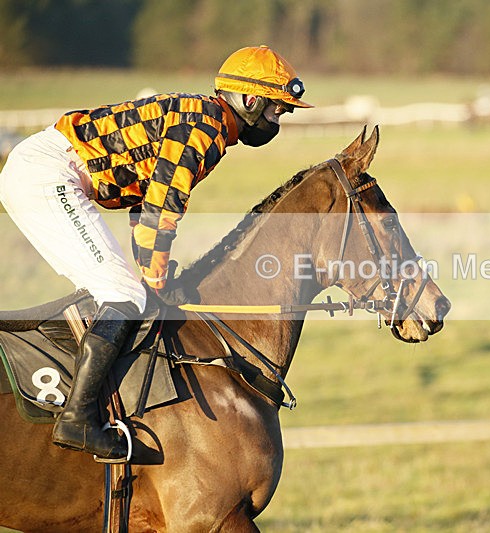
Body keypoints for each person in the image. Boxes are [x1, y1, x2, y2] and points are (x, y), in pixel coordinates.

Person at [0, 45, 312, 461]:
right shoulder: (205, 128)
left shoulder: (207, 121)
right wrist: (156, 281)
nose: (278, 120)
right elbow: (160, 212)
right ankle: (77, 419)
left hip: (45, 172)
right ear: (250, 101)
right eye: (277, 109)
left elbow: (145, 203)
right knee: (125, 295)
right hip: (48, 175)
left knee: (124, 291)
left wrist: (153, 276)